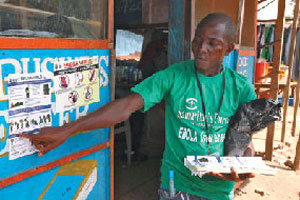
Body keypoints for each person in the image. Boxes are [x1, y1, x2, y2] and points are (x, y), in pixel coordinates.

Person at [21, 13, 256, 200]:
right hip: (176, 187)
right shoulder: (173, 77)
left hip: (219, 191)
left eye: (212, 43)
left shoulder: (242, 89)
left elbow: (245, 141)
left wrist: (244, 163)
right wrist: (67, 129)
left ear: (229, 49)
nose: (201, 48)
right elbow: (124, 106)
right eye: (197, 40)